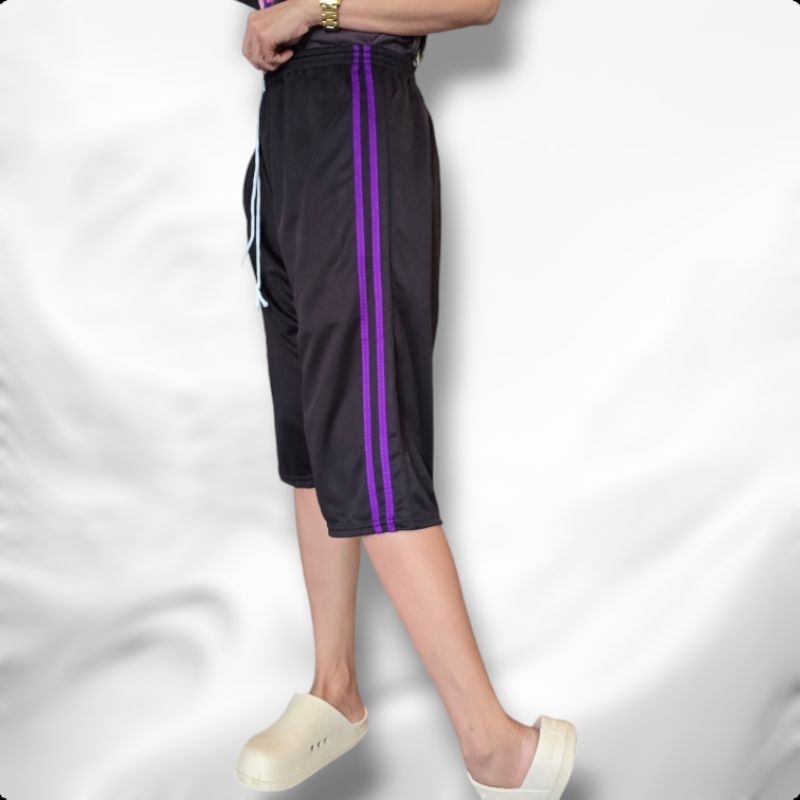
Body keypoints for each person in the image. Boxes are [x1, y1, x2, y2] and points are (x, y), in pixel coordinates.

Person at [232, 1, 577, 797]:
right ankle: (335, 690)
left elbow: (474, 1)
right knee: (312, 434)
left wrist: (316, 8)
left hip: (355, 103)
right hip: (286, 130)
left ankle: (492, 746)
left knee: (367, 438)